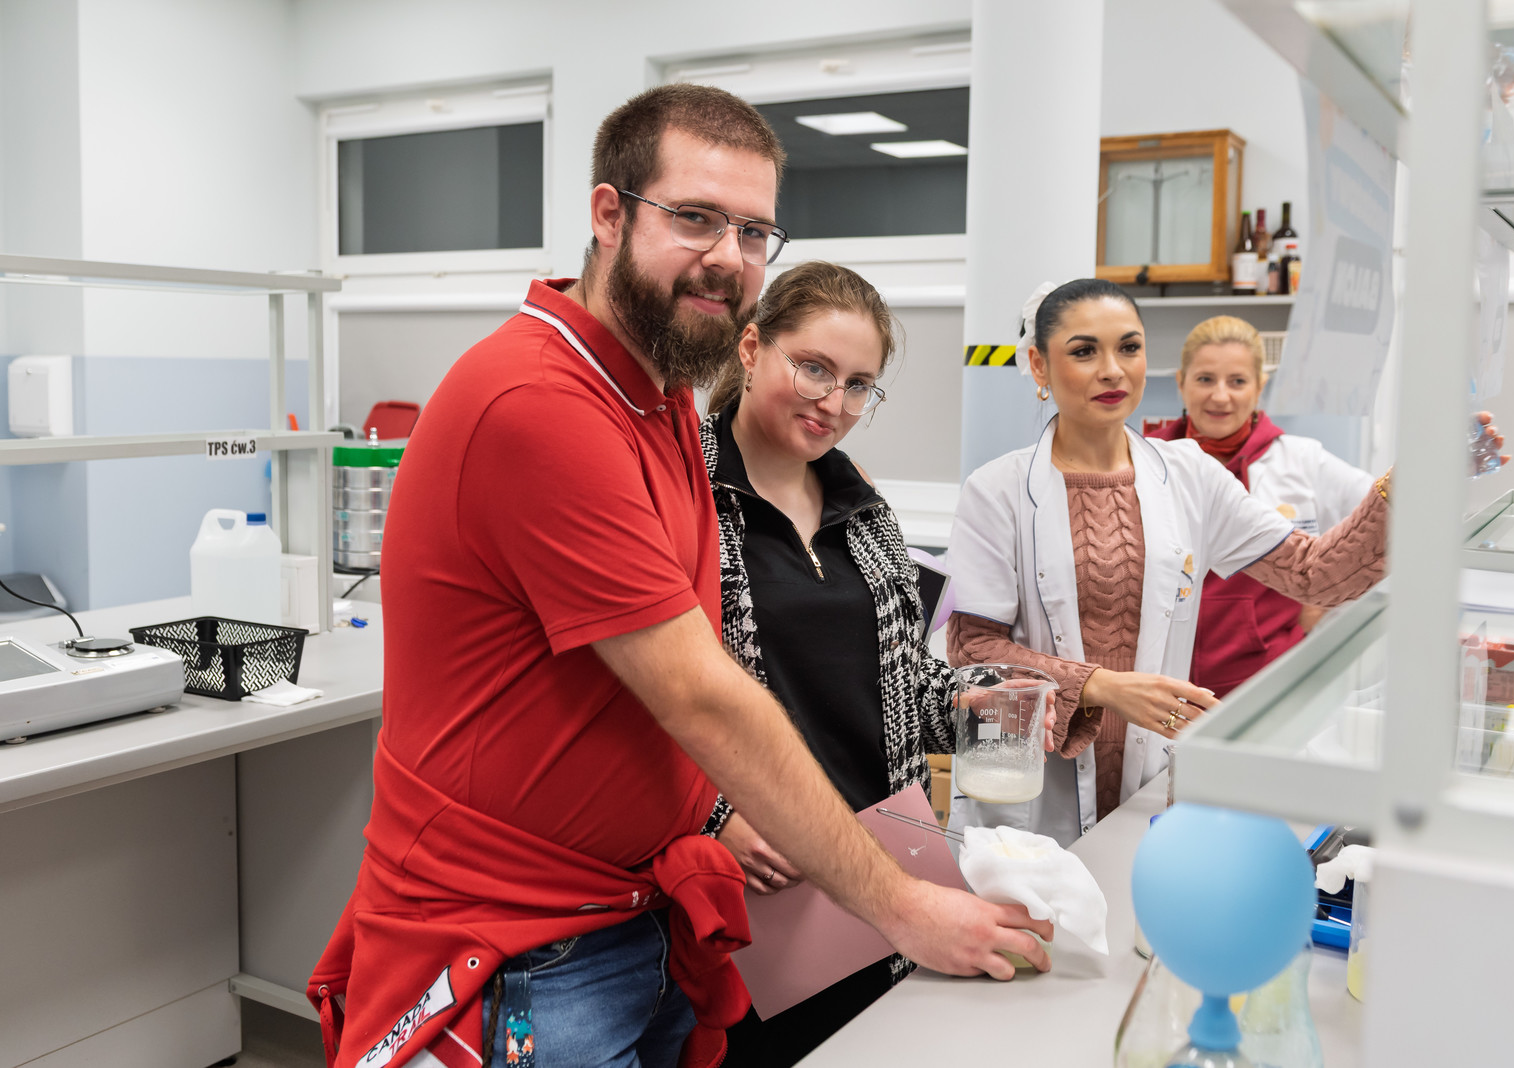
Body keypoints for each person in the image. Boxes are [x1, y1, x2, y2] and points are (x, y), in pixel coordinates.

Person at [306, 85, 1051, 1068]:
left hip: (638, 912)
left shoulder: (653, 400)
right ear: (608, 215)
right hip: (524, 945)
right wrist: (901, 905)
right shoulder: (539, 402)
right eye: (695, 217)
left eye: (755, 232)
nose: (729, 256)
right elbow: (704, 694)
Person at [698, 261, 1057, 1067]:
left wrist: (983, 701)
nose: (834, 402)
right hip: (762, 874)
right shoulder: (684, 494)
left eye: (858, 384)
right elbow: (638, 696)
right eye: (814, 368)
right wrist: (716, 815)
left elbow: (898, 684)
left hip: (884, 856)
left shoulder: (862, 508)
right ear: (751, 349)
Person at [942, 278, 1396, 848]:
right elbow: (973, 650)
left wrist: (1407, 481)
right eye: (1084, 351)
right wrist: (1104, 687)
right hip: (1030, 790)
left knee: (1132, 890)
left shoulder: (1190, 474)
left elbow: (1316, 574)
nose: (1112, 370)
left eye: (1129, 348)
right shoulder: (996, 490)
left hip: (1151, 778)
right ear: (1039, 365)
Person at [1145, 315, 1375, 697]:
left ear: (1259, 387)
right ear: (1181, 383)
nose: (1221, 396)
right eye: (1205, 379)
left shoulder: (1301, 461)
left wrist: (1327, 602)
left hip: (1270, 687)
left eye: (1237, 381)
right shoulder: (1147, 460)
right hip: (1162, 687)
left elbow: (1384, 521)